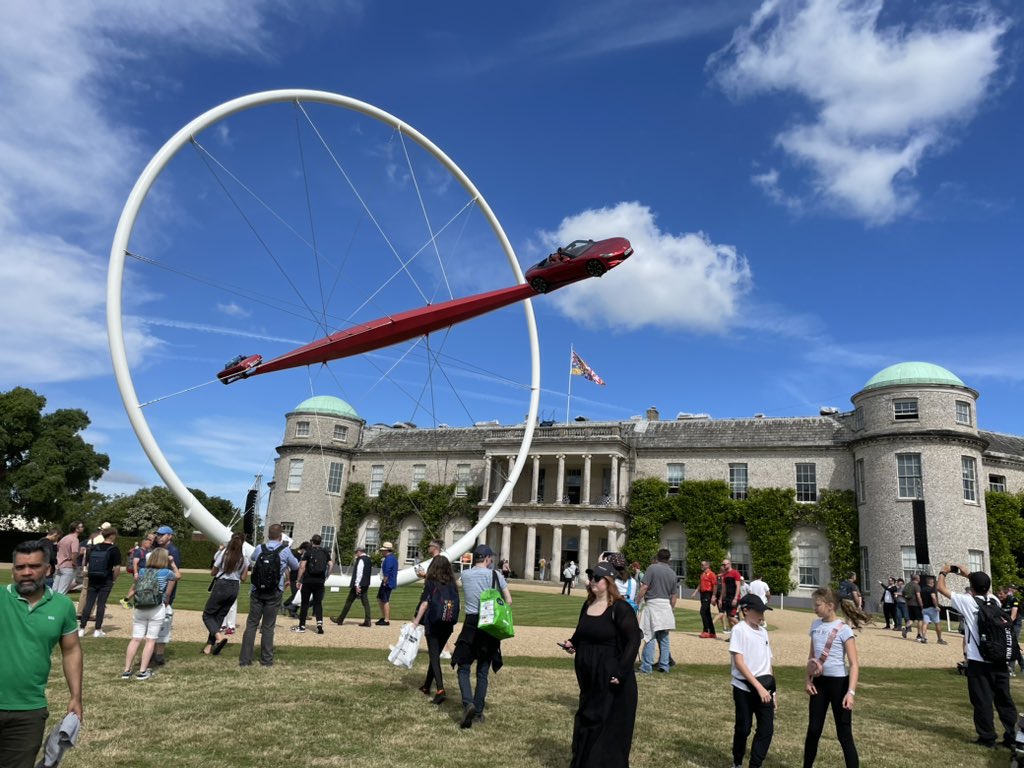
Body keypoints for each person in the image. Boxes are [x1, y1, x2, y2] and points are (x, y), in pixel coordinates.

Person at [0, 542, 83, 768]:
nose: (26, 572)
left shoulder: (62, 606)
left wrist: (76, 696)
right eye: (20, 567)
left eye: (34, 566)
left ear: (48, 569)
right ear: (13, 571)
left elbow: (71, 650)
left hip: (29, 711)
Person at [561, 561, 643, 768]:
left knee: (605, 723)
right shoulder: (587, 605)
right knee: (587, 718)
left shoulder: (621, 608)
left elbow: (633, 641)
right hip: (588, 675)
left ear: (608, 581)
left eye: (597, 578)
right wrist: (573, 643)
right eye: (591, 578)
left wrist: (622, 672)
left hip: (610, 674)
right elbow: (581, 633)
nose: (592, 582)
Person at [937, 563, 1018, 750]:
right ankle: (1011, 736)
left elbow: (941, 588)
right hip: (999, 659)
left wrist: (944, 571)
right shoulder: (995, 601)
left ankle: (987, 737)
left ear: (972, 587)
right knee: (1004, 700)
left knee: (982, 700)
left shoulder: (968, 601)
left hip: (978, 660)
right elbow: (981, 585)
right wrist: (969, 574)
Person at [451, 544, 511, 728]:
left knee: (463, 667)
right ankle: (477, 711)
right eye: (490, 558)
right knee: (483, 671)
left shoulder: (466, 575)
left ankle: (467, 702)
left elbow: (459, 586)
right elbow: (508, 600)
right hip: (488, 623)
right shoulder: (495, 575)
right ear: (486, 558)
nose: (491, 560)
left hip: (470, 623)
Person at [803, 587, 859, 767]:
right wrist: (808, 679)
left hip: (839, 685)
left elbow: (854, 664)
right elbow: (811, 657)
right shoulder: (815, 625)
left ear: (830, 606)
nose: (815, 608)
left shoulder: (844, 630)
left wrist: (850, 692)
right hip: (819, 684)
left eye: (817, 605)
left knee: (844, 734)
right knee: (813, 730)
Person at [239, 523, 299, 668]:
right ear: (281, 535)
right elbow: (296, 566)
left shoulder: (260, 548)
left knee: (252, 624)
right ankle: (266, 660)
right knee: (268, 626)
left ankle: (245, 659)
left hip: (257, 591)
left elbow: (253, 558)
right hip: (274, 591)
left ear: (268, 534)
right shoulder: (285, 550)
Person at [730, 594, 777, 768]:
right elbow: (739, 663)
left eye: (763, 611)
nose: (762, 615)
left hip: (765, 689)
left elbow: (768, 663)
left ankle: (755, 765)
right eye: (758, 611)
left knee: (766, 730)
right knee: (744, 728)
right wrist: (758, 687)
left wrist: (773, 692)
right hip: (744, 688)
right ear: (745, 611)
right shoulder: (739, 630)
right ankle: (737, 762)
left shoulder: (764, 632)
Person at [122, 546, 176, 679]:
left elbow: (136, 586)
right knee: (150, 640)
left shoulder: (142, 571)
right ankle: (142, 671)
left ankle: (127, 670)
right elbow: (177, 576)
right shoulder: (166, 572)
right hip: (156, 608)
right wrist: (172, 563)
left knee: (135, 639)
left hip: (140, 607)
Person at [412, 555, 460, 704]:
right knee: (435, 655)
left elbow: (424, 604)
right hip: (448, 624)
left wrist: (416, 621)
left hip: (433, 622)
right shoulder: (453, 584)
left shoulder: (431, 582)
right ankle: (427, 686)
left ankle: (440, 690)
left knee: (434, 657)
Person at [202, 533, 248, 655]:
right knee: (219, 616)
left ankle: (218, 637)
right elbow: (244, 578)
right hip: (234, 587)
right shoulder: (244, 558)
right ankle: (209, 646)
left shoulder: (223, 554)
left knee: (207, 615)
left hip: (222, 585)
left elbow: (213, 572)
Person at [637, 548, 677, 674]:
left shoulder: (652, 568)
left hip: (653, 604)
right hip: (666, 605)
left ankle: (646, 666)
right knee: (664, 638)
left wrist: (637, 601)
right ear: (669, 559)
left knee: (650, 637)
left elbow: (644, 587)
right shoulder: (672, 573)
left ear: (657, 557)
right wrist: (671, 608)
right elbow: (674, 596)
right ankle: (664, 665)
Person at [78, 527, 120, 638]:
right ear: (111, 536)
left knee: (89, 603)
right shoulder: (114, 549)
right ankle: (97, 630)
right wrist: (114, 580)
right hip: (106, 579)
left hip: (92, 578)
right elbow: (116, 568)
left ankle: (81, 628)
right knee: (101, 604)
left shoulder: (93, 547)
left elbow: (86, 564)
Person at [151, 525, 182, 667]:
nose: (159, 537)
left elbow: (173, 576)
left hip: (164, 592)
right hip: (153, 590)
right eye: (158, 534)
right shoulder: (157, 548)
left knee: (163, 622)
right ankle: (152, 651)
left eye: (162, 534)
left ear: (170, 536)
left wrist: (168, 595)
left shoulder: (172, 551)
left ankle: (158, 654)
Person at [293, 534, 332, 634]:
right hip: (319, 581)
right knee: (318, 603)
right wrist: (327, 575)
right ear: (320, 542)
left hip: (308, 580)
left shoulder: (308, 552)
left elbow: (302, 567)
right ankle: (319, 624)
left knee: (305, 603)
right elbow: (331, 564)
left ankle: (302, 626)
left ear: (312, 541)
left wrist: (298, 580)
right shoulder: (324, 552)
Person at [332, 545, 373, 626]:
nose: (355, 554)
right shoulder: (368, 559)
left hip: (359, 584)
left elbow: (359, 573)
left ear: (359, 551)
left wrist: (357, 585)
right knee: (365, 602)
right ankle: (368, 620)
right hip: (365, 583)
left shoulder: (361, 560)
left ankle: (340, 619)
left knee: (349, 601)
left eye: (356, 552)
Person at [119, 532, 154, 610]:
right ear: (144, 543)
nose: (150, 544)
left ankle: (128, 601)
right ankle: (125, 600)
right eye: (149, 542)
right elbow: (135, 563)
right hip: (140, 572)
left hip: (143, 572)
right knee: (138, 588)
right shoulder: (139, 551)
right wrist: (136, 573)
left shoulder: (146, 551)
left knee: (136, 587)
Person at [53, 522, 85, 595]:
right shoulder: (74, 539)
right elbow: (74, 553)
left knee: (55, 590)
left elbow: (58, 549)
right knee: (62, 592)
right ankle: (59, 606)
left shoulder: (64, 538)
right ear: (76, 529)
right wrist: (74, 563)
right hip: (68, 566)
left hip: (59, 566)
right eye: (81, 526)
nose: (83, 528)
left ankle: (50, 605)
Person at [692, 559, 718, 638]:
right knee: (707, 613)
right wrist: (695, 592)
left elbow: (715, 585)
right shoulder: (702, 574)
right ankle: (712, 632)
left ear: (707, 566)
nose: (701, 566)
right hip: (702, 593)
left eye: (702, 565)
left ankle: (706, 630)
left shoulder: (711, 574)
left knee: (702, 611)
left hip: (708, 593)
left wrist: (713, 596)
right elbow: (700, 584)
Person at [719, 559, 744, 635]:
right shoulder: (725, 575)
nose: (724, 566)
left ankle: (744, 629)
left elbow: (738, 586)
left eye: (725, 564)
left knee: (731, 616)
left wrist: (736, 598)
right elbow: (723, 588)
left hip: (734, 597)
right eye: (723, 565)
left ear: (729, 564)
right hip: (727, 597)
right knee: (728, 618)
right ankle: (733, 636)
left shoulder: (735, 573)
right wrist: (720, 599)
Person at [920, 574, 946, 645]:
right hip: (932, 608)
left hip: (925, 608)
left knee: (925, 623)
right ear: (931, 583)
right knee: (937, 623)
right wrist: (936, 606)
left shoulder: (922, 589)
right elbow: (933, 597)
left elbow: (920, 598)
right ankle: (939, 639)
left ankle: (923, 637)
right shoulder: (931, 589)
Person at [376, 542, 399, 626]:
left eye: (383, 550)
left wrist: (385, 582)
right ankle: (384, 617)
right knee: (380, 598)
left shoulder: (389, 559)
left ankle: (386, 619)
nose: (382, 552)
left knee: (385, 600)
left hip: (387, 582)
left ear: (386, 550)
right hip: (387, 582)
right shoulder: (392, 558)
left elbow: (387, 572)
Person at [902, 573, 924, 640]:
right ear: (917, 579)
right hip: (916, 604)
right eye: (919, 578)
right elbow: (918, 596)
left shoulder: (907, 585)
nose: (920, 579)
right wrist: (921, 605)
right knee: (920, 619)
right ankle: (919, 635)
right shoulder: (916, 586)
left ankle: (906, 628)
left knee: (911, 619)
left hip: (909, 604)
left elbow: (903, 594)